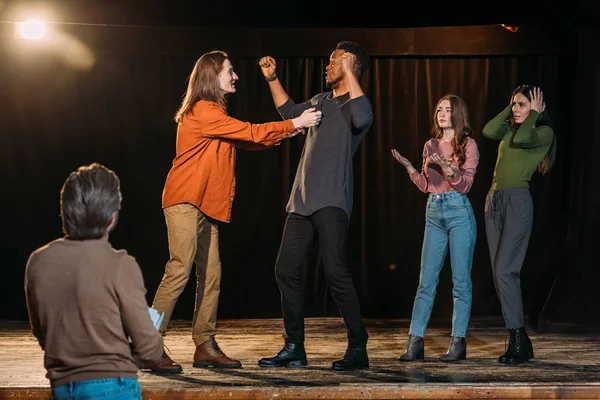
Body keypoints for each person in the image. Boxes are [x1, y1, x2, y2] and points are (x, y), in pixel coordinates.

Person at [144, 50, 322, 373]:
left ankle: (204, 344)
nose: (235, 76)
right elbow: (251, 132)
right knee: (179, 269)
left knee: (211, 274)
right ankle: (147, 340)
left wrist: (290, 130)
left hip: (204, 204)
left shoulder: (214, 113)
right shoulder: (202, 111)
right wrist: (294, 122)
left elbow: (249, 141)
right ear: (213, 76)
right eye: (230, 71)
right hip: (185, 199)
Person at [256, 41, 373, 371]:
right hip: (302, 200)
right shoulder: (321, 100)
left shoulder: (355, 104)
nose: (328, 65)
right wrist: (272, 78)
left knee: (335, 270)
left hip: (332, 200)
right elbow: (290, 112)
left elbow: (364, 118)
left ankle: (358, 346)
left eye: (335, 60)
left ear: (350, 64)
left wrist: (349, 72)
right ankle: (294, 346)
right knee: (285, 269)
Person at [24, 163, 164, 399]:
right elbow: (150, 350)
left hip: (63, 388)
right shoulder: (121, 265)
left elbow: (42, 334)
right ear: (112, 216)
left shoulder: (38, 261)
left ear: (66, 210)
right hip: (116, 387)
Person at [391, 94, 479, 362]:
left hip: (458, 213)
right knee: (426, 282)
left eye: (448, 109)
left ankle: (458, 343)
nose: (441, 113)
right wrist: (409, 169)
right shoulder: (430, 143)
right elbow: (427, 185)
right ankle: (415, 342)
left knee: (460, 283)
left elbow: (465, 185)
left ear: (458, 114)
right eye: (439, 109)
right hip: (434, 212)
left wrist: (449, 169)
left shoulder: (468, 144)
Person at [482, 85, 555, 365]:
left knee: (505, 270)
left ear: (537, 108)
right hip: (494, 201)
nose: (516, 109)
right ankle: (520, 339)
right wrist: (509, 104)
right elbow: (489, 130)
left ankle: (517, 339)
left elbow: (525, 138)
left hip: (517, 202)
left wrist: (534, 114)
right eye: (514, 104)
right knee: (500, 274)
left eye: (522, 104)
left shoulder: (542, 133)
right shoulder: (510, 129)